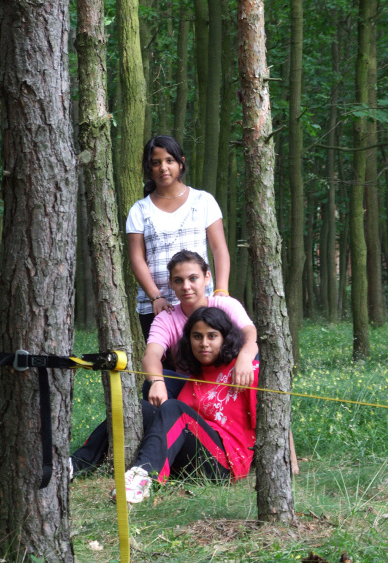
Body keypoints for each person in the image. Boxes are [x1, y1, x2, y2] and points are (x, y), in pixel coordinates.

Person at [113, 307, 259, 503]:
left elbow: (273, 421)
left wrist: (288, 460)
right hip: (191, 459)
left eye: (212, 336)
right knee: (141, 408)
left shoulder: (247, 371)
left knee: (173, 407)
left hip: (225, 463)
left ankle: (143, 477)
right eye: (197, 336)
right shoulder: (195, 379)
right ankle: (78, 463)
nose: (204, 343)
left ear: (225, 338)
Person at [126, 135, 231, 341]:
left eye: (169, 161)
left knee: (203, 356)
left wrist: (222, 290)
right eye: (156, 163)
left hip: (200, 303)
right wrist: (156, 297)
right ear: (149, 168)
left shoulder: (203, 201)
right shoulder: (139, 210)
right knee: (162, 361)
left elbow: (219, 249)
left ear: (181, 163)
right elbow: (137, 259)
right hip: (157, 308)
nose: (163, 168)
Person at [142, 250, 258, 407]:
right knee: (152, 382)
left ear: (207, 277)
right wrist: (157, 382)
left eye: (193, 278)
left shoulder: (226, 304)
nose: (186, 287)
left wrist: (244, 359)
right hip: (191, 387)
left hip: (231, 381)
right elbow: (151, 355)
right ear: (171, 283)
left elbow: (251, 334)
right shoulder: (165, 318)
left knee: (254, 358)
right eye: (178, 280)